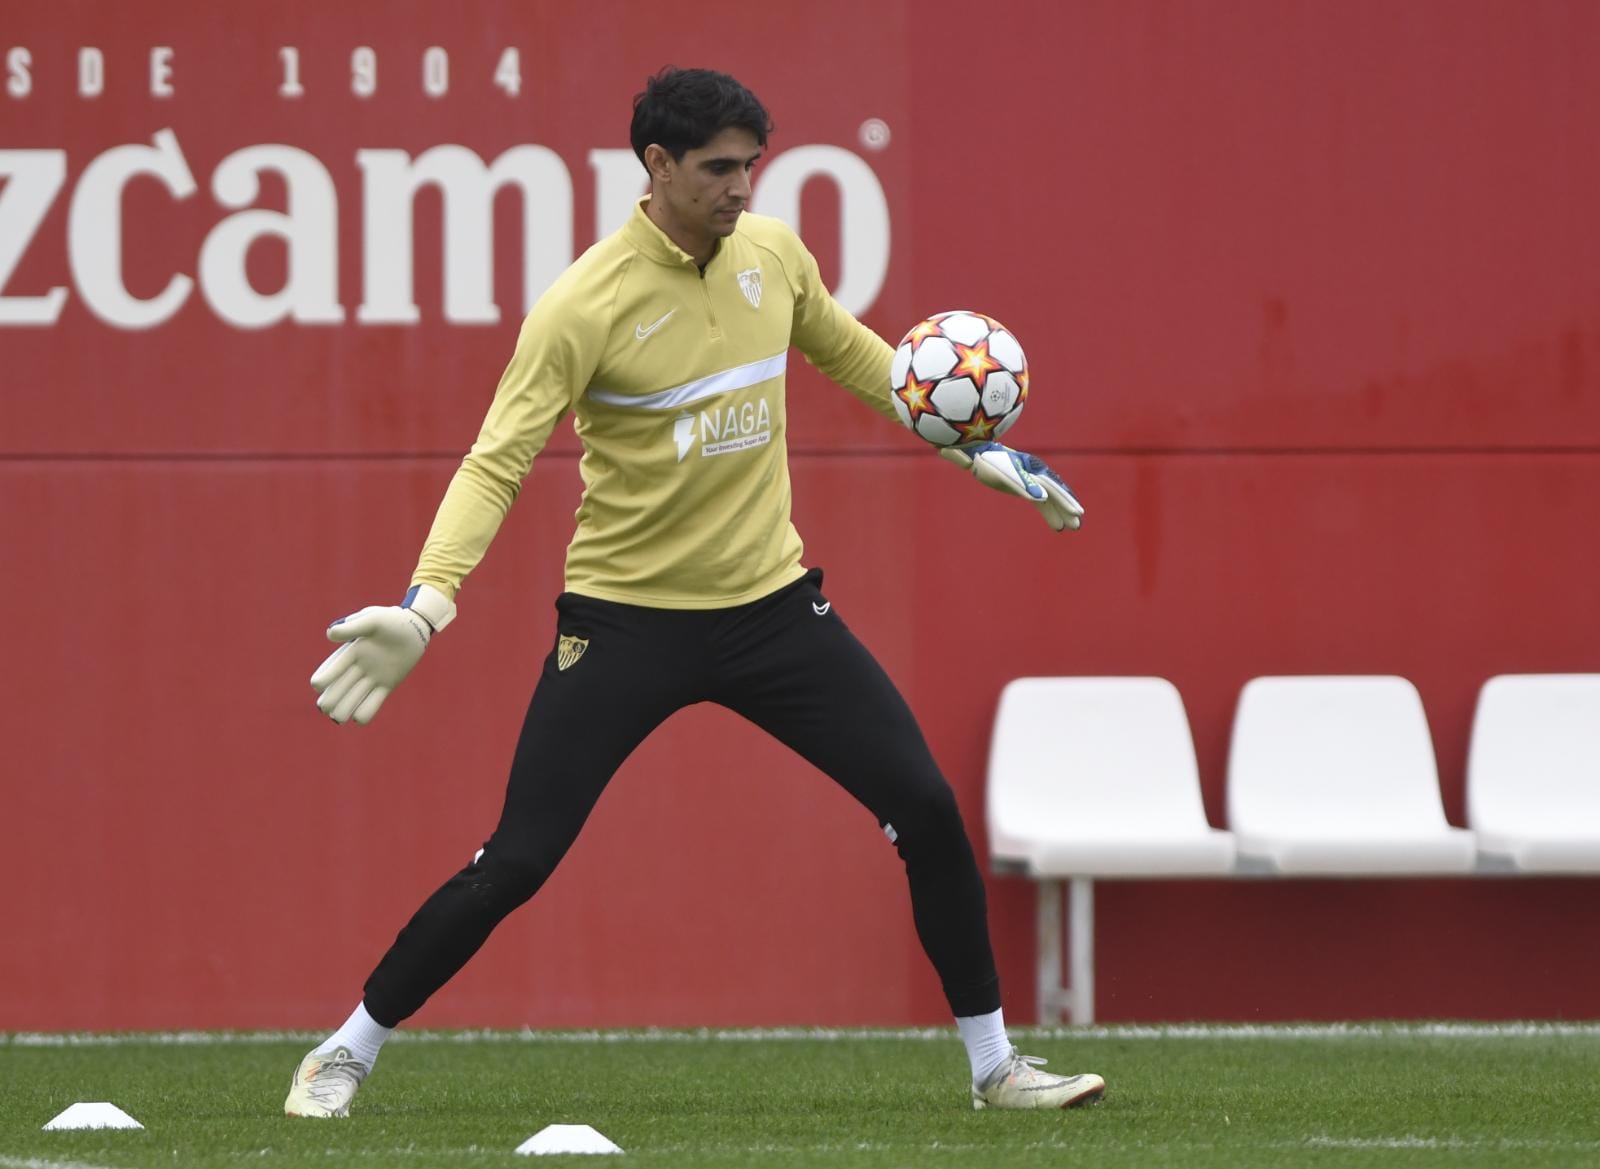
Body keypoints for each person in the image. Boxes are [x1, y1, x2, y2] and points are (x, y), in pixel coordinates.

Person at [286, 66, 1095, 1119]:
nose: (740, 187)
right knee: (517, 858)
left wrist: (970, 446)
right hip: (625, 625)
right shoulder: (584, 304)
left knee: (927, 807)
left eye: (750, 164)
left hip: (772, 610)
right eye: (717, 168)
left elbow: (856, 356)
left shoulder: (771, 254)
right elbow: (496, 460)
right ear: (656, 165)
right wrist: (427, 603)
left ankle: (996, 1068)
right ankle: (344, 1050)